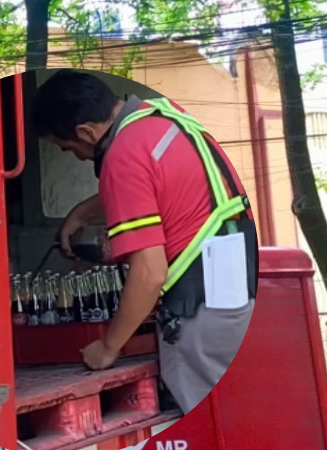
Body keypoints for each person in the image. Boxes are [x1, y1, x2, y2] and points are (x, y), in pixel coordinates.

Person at [31, 69, 259, 415]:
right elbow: (163, 178)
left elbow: (149, 274)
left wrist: (108, 346)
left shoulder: (122, 156)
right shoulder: (165, 116)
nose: (76, 156)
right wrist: (89, 208)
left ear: (85, 132)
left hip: (201, 313)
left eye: (69, 148)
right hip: (235, 292)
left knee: (214, 423)